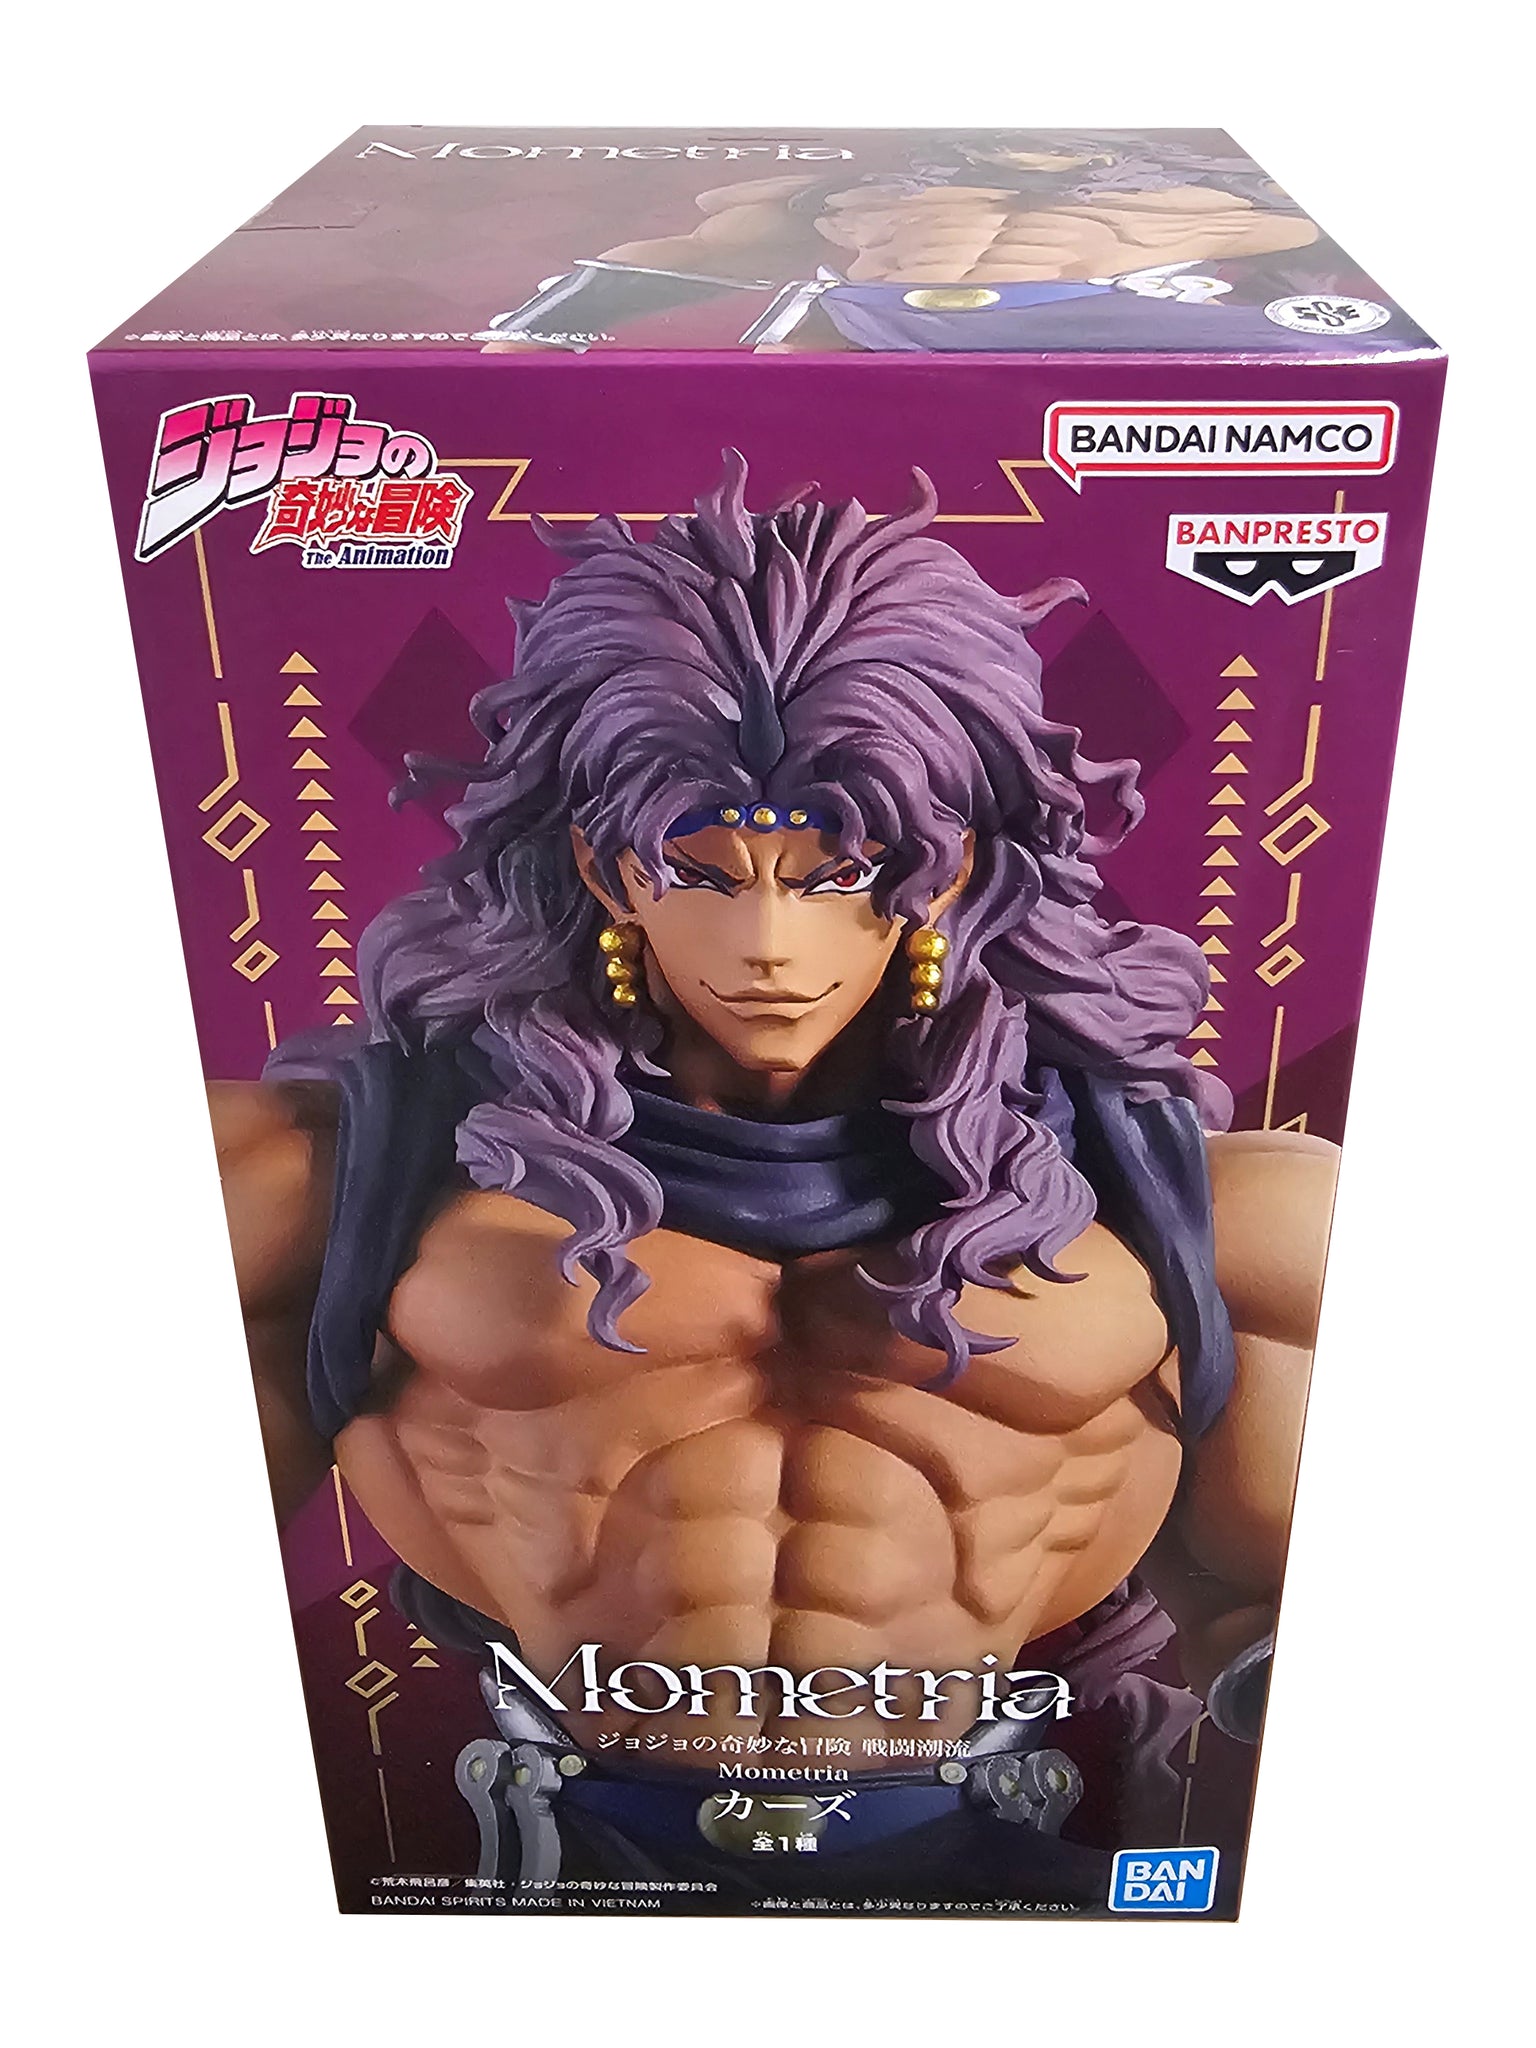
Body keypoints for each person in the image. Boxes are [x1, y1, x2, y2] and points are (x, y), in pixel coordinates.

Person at [212, 453, 1336, 1903]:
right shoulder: (329, 1176)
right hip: (531, 1876)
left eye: (836, 873)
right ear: (606, 869)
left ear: (947, 870)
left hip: (1008, 1864)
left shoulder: (1210, 1211)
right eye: (701, 869)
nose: (766, 945)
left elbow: (1277, 1630)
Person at [480, 130, 1410, 353]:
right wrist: (523, 353)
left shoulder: (1213, 194)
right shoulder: (860, 187)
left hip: (1078, 332)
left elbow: (1321, 279)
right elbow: (678, 253)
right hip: (869, 329)